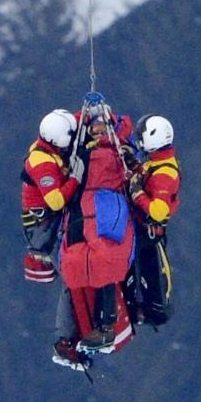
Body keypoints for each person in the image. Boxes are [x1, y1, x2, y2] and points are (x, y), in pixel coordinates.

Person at [58, 110, 137, 354]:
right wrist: (88, 112)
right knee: (74, 265)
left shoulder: (119, 149)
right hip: (83, 212)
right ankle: (79, 330)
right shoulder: (80, 148)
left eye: (103, 126)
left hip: (106, 213)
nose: (98, 130)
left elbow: (132, 172)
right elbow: (69, 128)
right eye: (95, 127)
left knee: (105, 265)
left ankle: (106, 323)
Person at [125, 114, 181, 326]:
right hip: (142, 230)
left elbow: (158, 210)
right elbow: (145, 174)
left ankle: (146, 309)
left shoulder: (164, 172)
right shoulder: (158, 162)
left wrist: (138, 194)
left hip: (148, 234)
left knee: (146, 275)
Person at [20, 110, 84, 283]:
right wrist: (74, 180)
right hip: (44, 224)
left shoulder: (48, 144)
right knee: (70, 267)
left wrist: (87, 113)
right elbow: (55, 202)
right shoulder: (43, 164)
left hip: (48, 217)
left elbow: (68, 127)